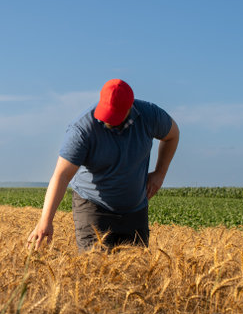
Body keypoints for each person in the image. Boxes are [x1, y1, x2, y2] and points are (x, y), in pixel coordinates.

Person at [27, 79, 179, 252]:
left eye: (115, 114)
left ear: (130, 107)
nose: (108, 120)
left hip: (135, 210)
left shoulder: (150, 115)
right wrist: (45, 221)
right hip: (93, 208)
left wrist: (160, 173)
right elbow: (62, 175)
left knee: (136, 274)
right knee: (94, 270)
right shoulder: (82, 130)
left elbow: (173, 135)